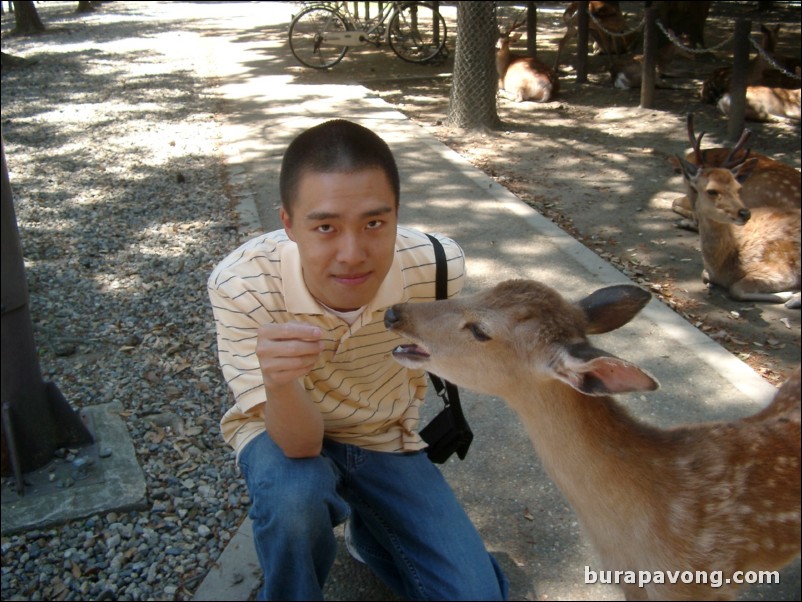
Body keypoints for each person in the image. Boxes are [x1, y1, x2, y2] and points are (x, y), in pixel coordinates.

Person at [207, 119, 508, 601]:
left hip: (383, 435)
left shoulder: (435, 265)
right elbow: (300, 445)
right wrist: (281, 383)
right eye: (325, 227)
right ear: (288, 223)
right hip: (285, 435)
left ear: (396, 215)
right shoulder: (243, 284)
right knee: (294, 500)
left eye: (374, 223)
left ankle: (370, 534)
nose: (352, 254)